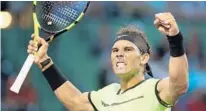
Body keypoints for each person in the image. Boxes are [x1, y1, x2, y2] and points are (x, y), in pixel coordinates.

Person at [27, 12, 189, 111]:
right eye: (115, 50)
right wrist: (44, 62)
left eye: (127, 49)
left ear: (144, 58)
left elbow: (179, 84)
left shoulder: (155, 88)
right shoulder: (106, 93)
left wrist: (174, 38)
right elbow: (75, 102)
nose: (119, 54)